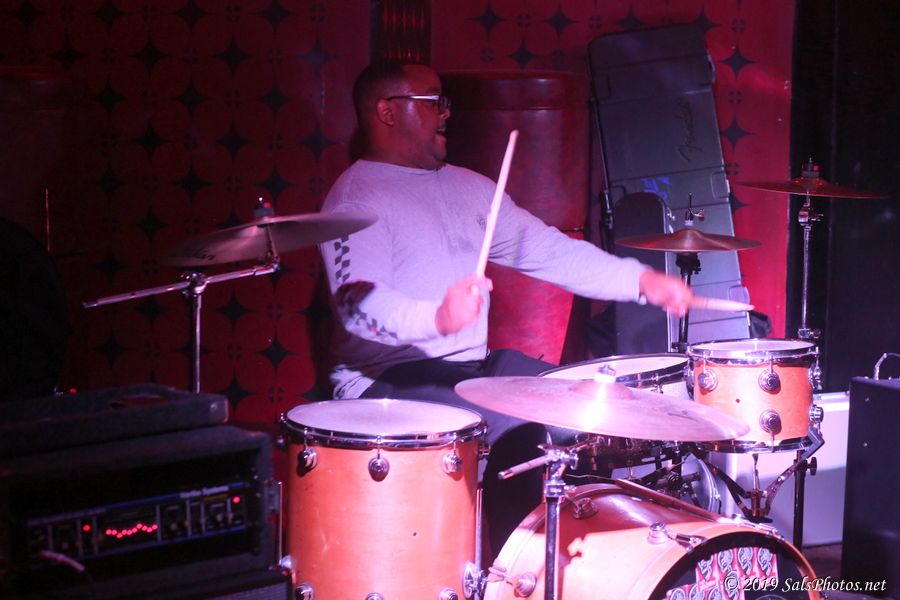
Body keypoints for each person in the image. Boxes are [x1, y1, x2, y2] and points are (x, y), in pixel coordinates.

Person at [317, 60, 693, 562]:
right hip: (384, 380)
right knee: (518, 418)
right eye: (433, 102)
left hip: (467, 369)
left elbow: (551, 252)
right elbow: (358, 307)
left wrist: (640, 281)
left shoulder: (469, 189)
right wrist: (437, 318)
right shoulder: (355, 198)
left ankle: (550, 566)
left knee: (582, 400)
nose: (446, 113)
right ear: (387, 111)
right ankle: (511, 569)